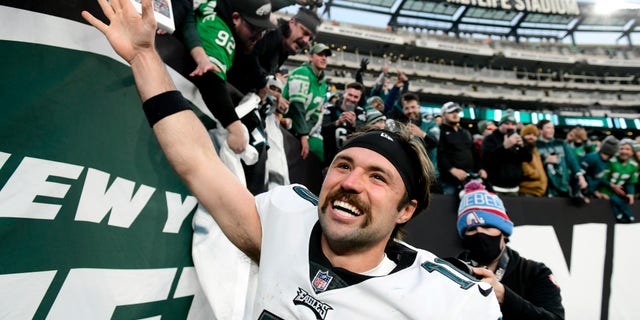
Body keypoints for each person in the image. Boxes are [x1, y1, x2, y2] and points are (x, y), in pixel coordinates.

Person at [81, 1, 502, 317]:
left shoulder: (444, 300)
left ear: (406, 209)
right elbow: (197, 160)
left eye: (378, 177)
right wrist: (143, 56)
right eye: (343, 165)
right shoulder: (286, 223)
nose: (350, 182)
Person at [456, 184, 564, 320]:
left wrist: (504, 296)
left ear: (504, 233)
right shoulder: (452, 272)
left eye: (488, 227)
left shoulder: (535, 273)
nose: (480, 233)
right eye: (472, 229)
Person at [282, 43, 331, 160]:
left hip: (302, 128)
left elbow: (316, 114)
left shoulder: (323, 85)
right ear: (310, 57)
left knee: (318, 150)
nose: (324, 58)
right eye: (320, 54)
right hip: (284, 123)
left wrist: (306, 133)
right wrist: (303, 135)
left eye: (326, 56)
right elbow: (296, 106)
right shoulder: (302, 72)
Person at [438, 101, 486, 195]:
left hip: (470, 176)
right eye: (451, 112)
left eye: (457, 112)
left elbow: (474, 152)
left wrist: (480, 168)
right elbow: (440, 154)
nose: (455, 114)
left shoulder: (465, 132)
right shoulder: (439, 132)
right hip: (450, 180)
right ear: (443, 115)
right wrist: (452, 170)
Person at [481, 110, 532, 196]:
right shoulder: (490, 139)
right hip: (495, 186)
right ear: (500, 125)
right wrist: (504, 147)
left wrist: (522, 147)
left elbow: (528, 158)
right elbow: (487, 159)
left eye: (513, 124)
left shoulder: (518, 138)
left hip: (514, 187)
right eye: (507, 123)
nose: (510, 127)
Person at [536, 120, 588, 199]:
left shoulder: (561, 143)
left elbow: (572, 160)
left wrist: (581, 177)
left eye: (552, 128)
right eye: (548, 128)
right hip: (545, 188)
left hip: (564, 185)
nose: (552, 130)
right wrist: (545, 161)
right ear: (540, 130)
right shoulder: (535, 145)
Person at [321, 81, 366, 167]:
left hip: (350, 159)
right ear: (344, 93)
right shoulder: (330, 108)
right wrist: (337, 123)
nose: (352, 99)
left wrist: (354, 125)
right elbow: (322, 129)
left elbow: (364, 133)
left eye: (356, 97)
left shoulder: (360, 112)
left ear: (360, 98)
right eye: (350, 95)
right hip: (329, 158)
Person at [597, 139, 638, 223]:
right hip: (604, 191)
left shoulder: (633, 166)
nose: (624, 151)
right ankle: (628, 215)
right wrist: (611, 185)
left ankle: (623, 216)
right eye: (621, 148)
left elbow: (631, 182)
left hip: (617, 193)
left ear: (632, 152)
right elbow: (601, 178)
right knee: (616, 201)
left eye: (627, 149)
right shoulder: (611, 161)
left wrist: (631, 193)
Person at [580, 135, 619, 200]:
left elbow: (597, 177)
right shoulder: (591, 158)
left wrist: (610, 185)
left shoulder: (607, 162)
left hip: (590, 193)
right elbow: (580, 175)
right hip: (581, 193)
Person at [519, 124, 548, 197]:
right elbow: (524, 168)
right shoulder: (521, 149)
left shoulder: (535, 150)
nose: (531, 137)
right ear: (523, 136)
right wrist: (536, 174)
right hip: (527, 190)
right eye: (528, 134)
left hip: (538, 191)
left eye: (534, 135)